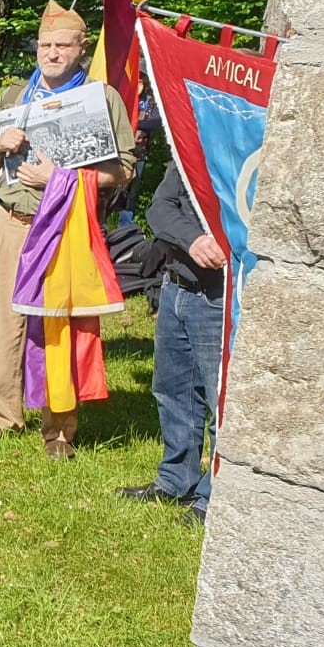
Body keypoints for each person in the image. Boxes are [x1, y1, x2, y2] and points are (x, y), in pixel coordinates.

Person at [0, 2, 136, 456]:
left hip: (66, 223)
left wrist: (58, 180)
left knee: (57, 325)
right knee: (2, 321)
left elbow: (123, 170)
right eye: (45, 45)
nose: (53, 53)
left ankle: (59, 429)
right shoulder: (12, 97)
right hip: (12, 222)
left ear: (82, 48)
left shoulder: (102, 99)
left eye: (63, 45)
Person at [118, 162, 224, 523]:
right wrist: (192, 239)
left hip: (219, 296)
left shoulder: (244, 149)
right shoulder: (189, 147)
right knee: (172, 390)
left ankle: (213, 498)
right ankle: (176, 480)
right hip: (175, 286)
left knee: (219, 402)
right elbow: (159, 207)